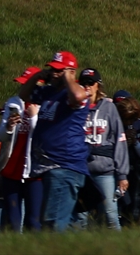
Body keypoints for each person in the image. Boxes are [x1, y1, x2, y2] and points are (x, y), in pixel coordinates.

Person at [20, 52, 89, 232]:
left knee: (54, 225)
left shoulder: (74, 93)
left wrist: (68, 78)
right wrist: (36, 76)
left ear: (71, 72)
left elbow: (79, 96)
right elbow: (23, 94)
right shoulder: (48, 92)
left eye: (58, 70)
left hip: (64, 166)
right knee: (52, 223)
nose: (53, 73)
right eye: (52, 69)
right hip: (49, 167)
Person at [75, 69, 128, 230]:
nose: (87, 87)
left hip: (104, 170)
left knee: (110, 215)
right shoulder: (74, 107)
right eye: (83, 83)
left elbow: (120, 139)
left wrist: (122, 174)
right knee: (80, 217)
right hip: (80, 169)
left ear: (98, 85)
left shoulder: (109, 108)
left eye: (90, 83)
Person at [0, 67, 42, 232]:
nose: (23, 88)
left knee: (33, 221)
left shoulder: (44, 105)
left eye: (26, 84)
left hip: (34, 173)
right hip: (11, 170)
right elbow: (2, 135)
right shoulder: (13, 102)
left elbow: (44, 138)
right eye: (22, 84)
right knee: (12, 222)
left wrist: (34, 117)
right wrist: (8, 126)